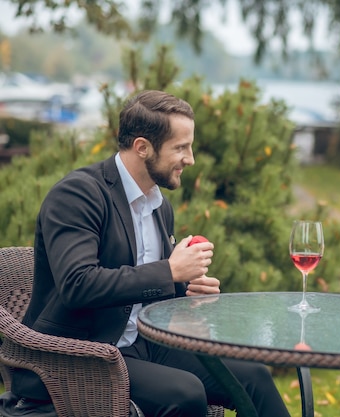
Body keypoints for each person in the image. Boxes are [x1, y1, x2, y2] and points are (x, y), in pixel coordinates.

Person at [11, 90, 291, 417]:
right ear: (143, 147)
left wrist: (186, 288)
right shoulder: (78, 195)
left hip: (140, 345)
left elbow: (148, 284)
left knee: (252, 377)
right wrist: (170, 271)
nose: (191, 159)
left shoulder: (158, 205)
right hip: (83, 353)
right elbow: (78, 285)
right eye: (180, 148)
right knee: (185, 393)